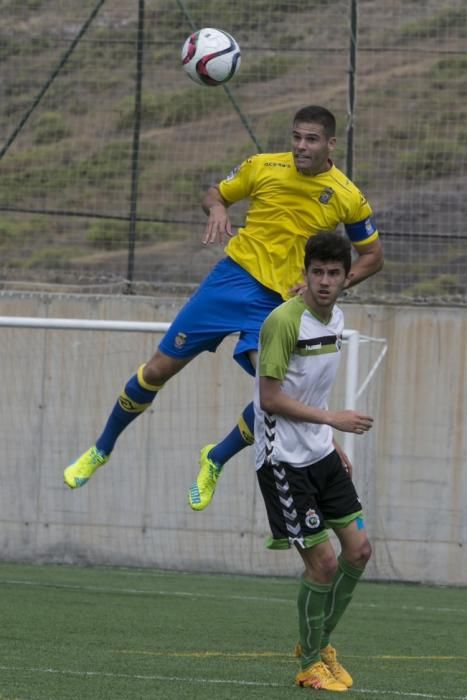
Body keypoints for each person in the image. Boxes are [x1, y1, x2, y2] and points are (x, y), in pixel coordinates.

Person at [63, 106, 383, 508]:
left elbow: (372, 256)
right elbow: (215, 192)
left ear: (331, 143)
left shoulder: (347, 196)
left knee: (274, 395)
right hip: (231, 281)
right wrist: (216, 207)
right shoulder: (262, 166)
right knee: (159, 368)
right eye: (297, 137)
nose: (302, 146)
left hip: (279, 304)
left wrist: (335, 284)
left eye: (312, 139)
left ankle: (215, 457)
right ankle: (101, 449)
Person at [254, 230, 373, 692]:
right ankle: (307, 665)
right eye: (317, 272)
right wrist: (333, 420)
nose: (325, 281)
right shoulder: (284, 321)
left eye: (334, 273)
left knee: (359, 552)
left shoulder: (336, 317)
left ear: (346, 278)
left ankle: (321, 645)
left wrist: (330, 438)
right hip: (282, 460)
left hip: (320, 451)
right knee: (322, 564)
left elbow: (312, 390)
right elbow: (269, 398)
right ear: (304, 274)